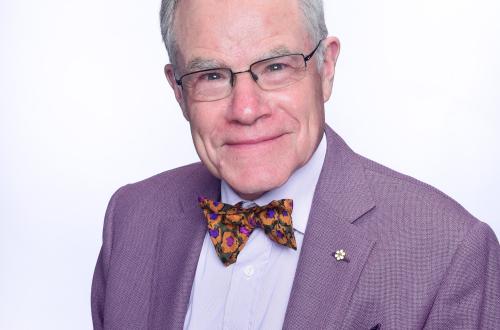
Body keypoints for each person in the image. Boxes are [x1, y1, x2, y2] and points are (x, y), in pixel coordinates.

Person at [91, 0, 500, 329]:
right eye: (211, 75)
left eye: (275, 67)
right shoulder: (131, 219)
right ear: (178, 91)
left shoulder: (449, 252)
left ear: (326, 68)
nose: (246, 110)